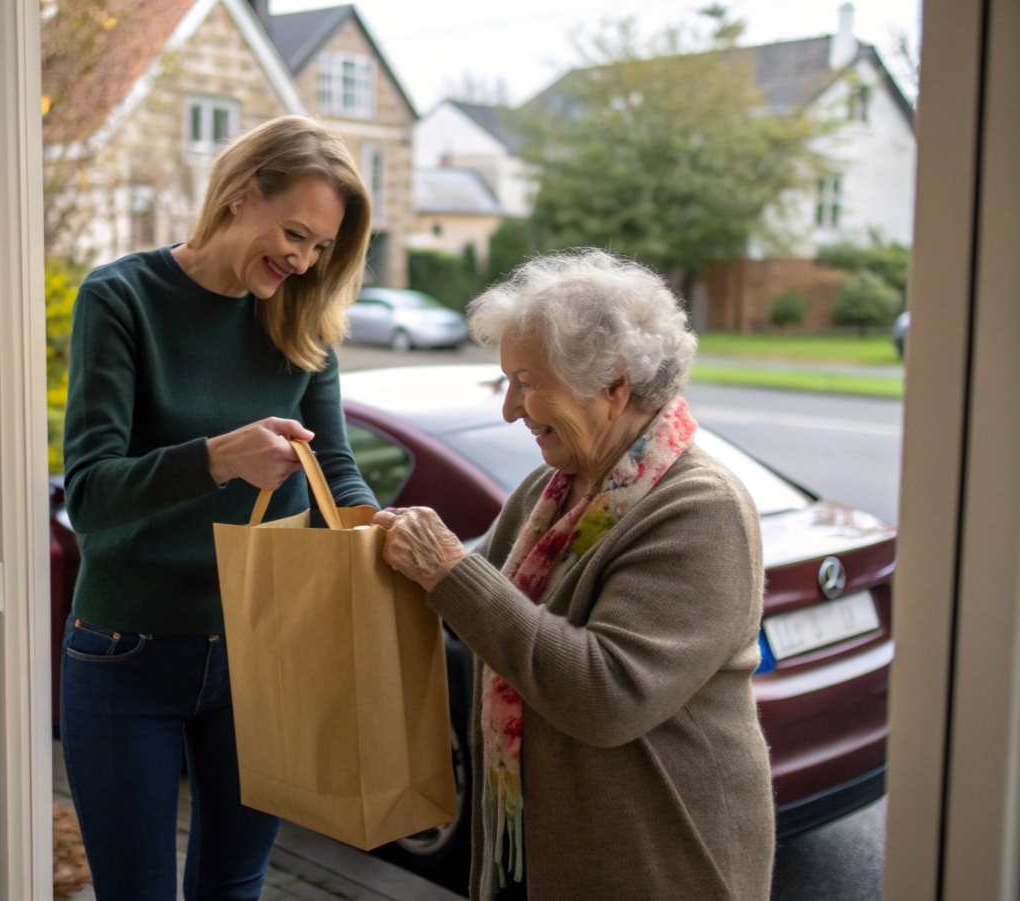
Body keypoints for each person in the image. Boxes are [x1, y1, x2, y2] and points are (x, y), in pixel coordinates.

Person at [372, 249, 775, 900]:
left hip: (659, 864)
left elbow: (604, 695)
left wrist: (446, 569)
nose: (509, 408)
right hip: (542, 855)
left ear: (613, 385)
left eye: (526, 381)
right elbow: (464, 603)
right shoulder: (552, 491)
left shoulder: (701, 511)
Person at [59, 116, 379, 901]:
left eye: (319, 249)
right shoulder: (122, 297)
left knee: (234, 886)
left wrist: (376, 523)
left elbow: (334, 464)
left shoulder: (300, 320)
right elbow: (91, 494)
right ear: (240, 194)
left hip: (266, 644)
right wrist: (214, 458)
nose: (302, 260)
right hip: (127, 651)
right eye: (295, 233)